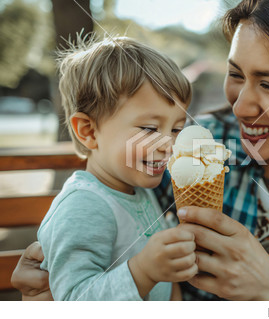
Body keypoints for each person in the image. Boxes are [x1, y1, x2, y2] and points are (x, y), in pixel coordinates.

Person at [12, 0, 269, 301]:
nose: (241, 105)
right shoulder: (194, 147)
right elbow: (106, 241)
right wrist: (51, 279)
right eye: (236, 75)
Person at [27, 36, 198, 301]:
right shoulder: (83, 207)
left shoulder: (137, 189)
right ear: (88, 131)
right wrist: (143, 271)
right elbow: (74, 301)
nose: (169, 144)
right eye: (150, 129)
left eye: (176, 129)